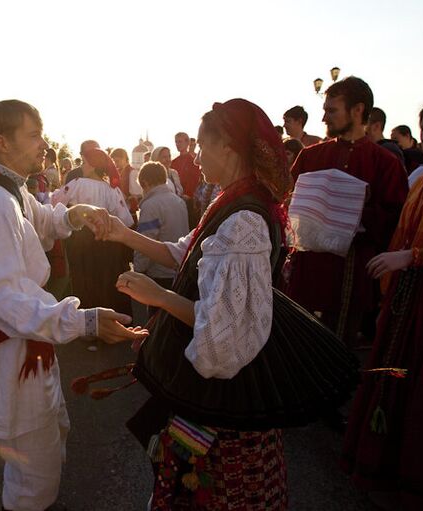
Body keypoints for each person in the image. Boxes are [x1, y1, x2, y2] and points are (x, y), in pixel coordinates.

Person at [0, 99, 146, 511]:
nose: (43, 143)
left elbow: (43, 221)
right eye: (34, 134)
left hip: (29, 347)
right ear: (2, 143)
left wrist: (74, 213)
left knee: (47, 441)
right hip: (15, 354)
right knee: (33, 471)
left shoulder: (12, 191)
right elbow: (4, 299)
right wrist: (85, 322)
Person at [103, 99, 293, 509]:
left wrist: (157, 297)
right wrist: (123, 233)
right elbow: (184, 254)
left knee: (213, 490)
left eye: (204, 145)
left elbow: (223, 332)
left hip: (227, 393)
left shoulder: (243, 219)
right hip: (225, 381)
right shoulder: (232, 201)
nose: (197, 155)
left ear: (228, 145)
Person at [342, 94, 423, 511]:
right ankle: (392, 477)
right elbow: (400, 237)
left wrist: (416, 258)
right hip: (409, 305)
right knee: (400, 395)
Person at [283, 76, 408, 346]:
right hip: (307, 271)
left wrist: (358, 206)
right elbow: (288, 205)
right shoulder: (310, 156)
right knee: (297, 347)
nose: (324, 118)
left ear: (358, 110)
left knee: (335, 353)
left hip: (351, 272)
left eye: (331, 111)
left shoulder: (386, 163)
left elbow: (394, 223)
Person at [51, 148, 134, 316]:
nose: (82, 166)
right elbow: (126, 219)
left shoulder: (77, 183)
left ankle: (86, 322)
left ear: (92, 164)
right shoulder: (112, 190)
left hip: (81, 239)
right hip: (107, 240)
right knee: (105, 280)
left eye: (84, 162)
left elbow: (56, 203)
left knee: (83, 279)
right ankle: (110, 319)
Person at [132, 161, 189, 314]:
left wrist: (138, 270)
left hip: (159, 273)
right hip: (178, 268)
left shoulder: (150, 205)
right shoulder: (179, 201)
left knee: (156, 320)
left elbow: (145, 241)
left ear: (144, 183)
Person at [172, 132, 203, 228]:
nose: (178, 144)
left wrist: (188, 194)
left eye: (180, 142)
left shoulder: (192, 161)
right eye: (176, 142)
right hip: (175, 199)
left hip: (187, 200)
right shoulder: (174, 162)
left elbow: (195, 179)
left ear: (187, 143)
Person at [109, 147, 141, 220]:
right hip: (120, 213)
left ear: (124, 158)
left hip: (130, 213)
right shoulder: (118, 172)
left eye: (117, 161)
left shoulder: (132, 172)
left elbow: (138, 195)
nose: (115, 164)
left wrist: (126, 197)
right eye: (114, 161)